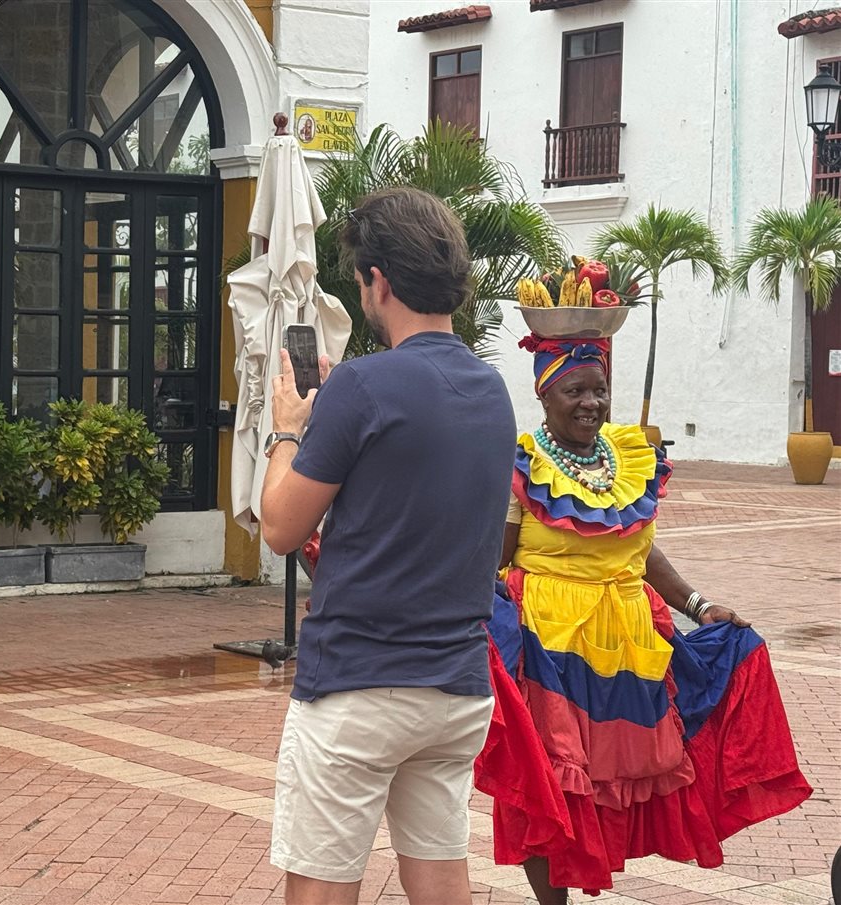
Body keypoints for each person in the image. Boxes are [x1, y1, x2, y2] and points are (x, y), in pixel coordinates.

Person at [474, 334, 813, 903]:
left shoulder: (628, 460)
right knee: (554, 781)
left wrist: (700, 606)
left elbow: (643, 553)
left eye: (599, 391)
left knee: (615, 779)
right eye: (574, 390)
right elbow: (491, 558)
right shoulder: (522, 467)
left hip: (630, 644)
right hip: (549, 649)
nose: (590, 403)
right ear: (544, 395)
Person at [259, 186, 517, 905]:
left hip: (359, 681)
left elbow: (280, 526)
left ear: (379, 281)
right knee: (439, 873)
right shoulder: (491, 389)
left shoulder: (361, 387)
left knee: (321, 884)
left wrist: (287, 428)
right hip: (457, 685)